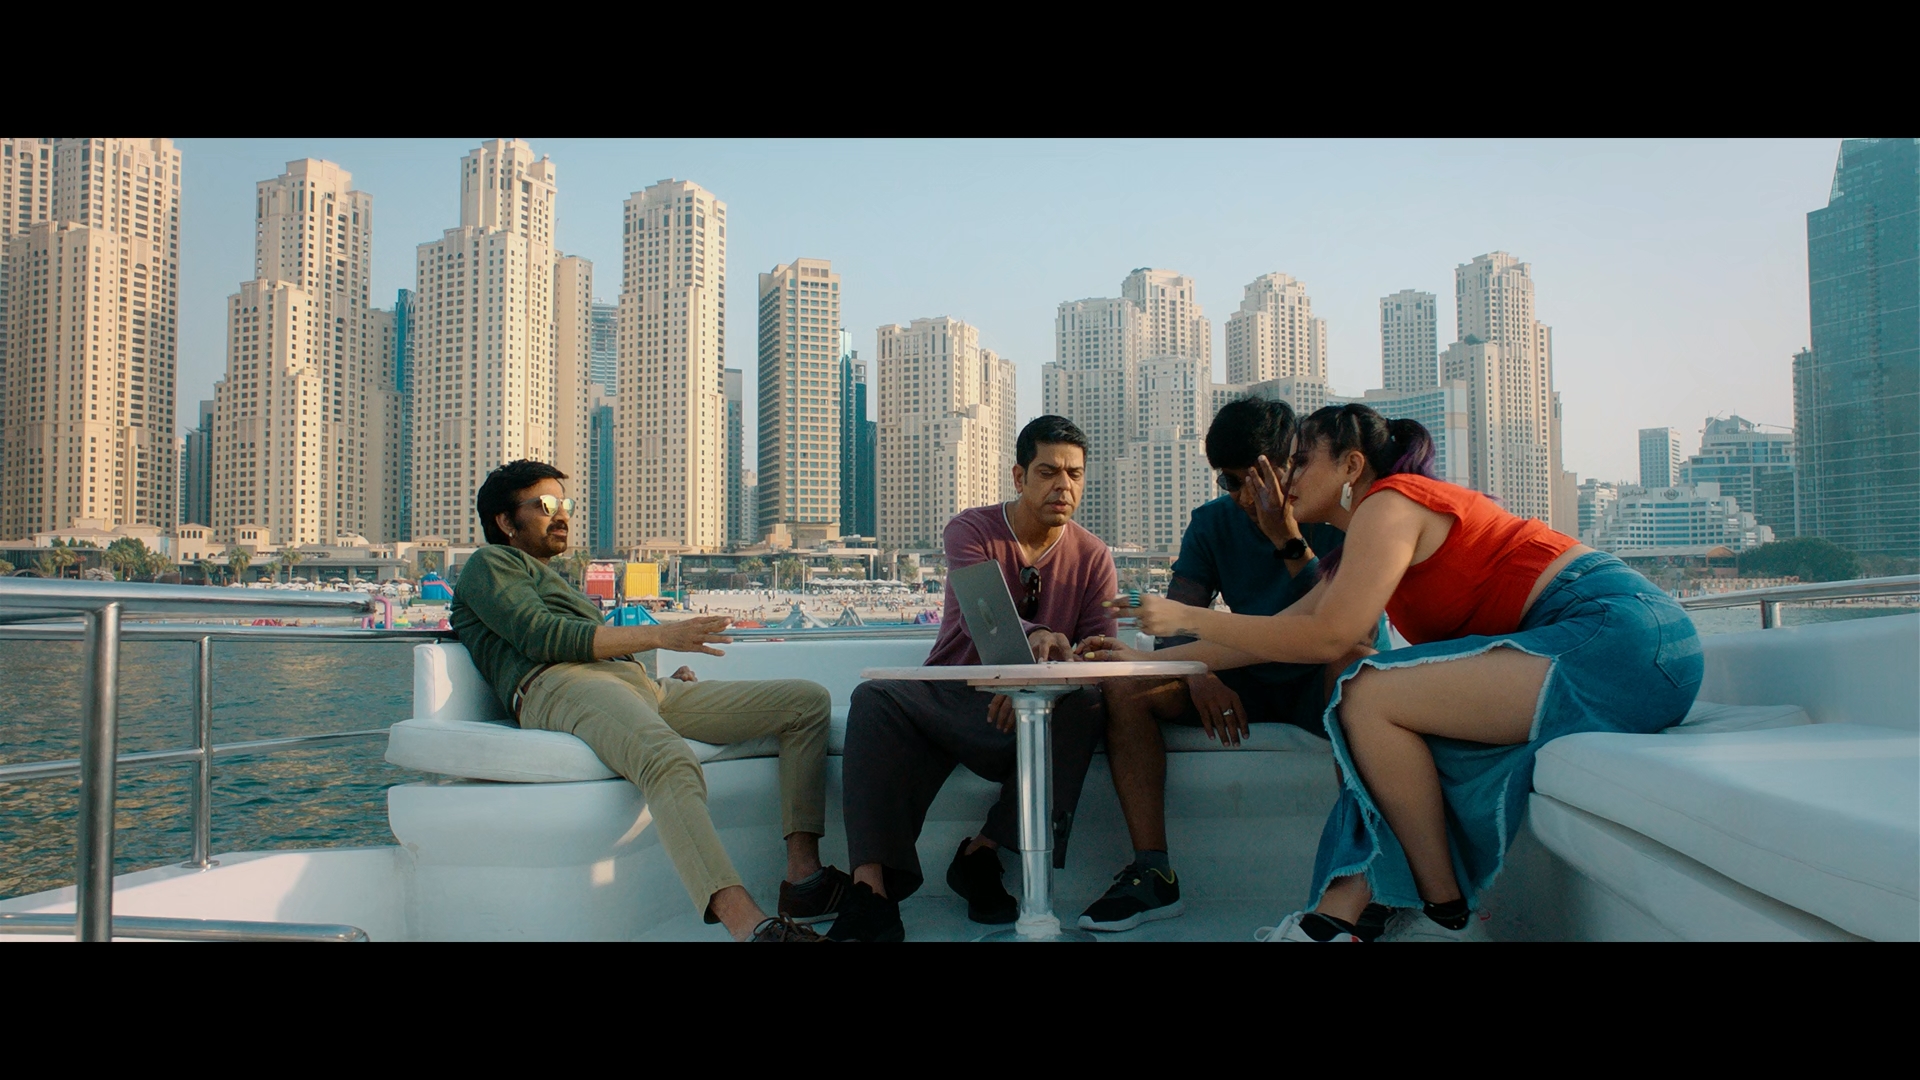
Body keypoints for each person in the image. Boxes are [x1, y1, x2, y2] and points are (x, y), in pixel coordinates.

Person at [1124, 403, 1703, 942]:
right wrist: (1136, 663)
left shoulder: (1390, 503)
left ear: (1351, 467)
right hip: (1628, 653)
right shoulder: (1364, 537)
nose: (1283, 479)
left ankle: (1415, 903)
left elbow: (1331, 638)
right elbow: (1277, 633)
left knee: (1365, 692)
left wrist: (1186, 617)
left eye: (1299, 462)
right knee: (1388, 727)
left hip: (1622, 636)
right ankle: (1398, 910)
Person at [450, 459, 845, 943]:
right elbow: (542, 637)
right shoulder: (490, 564)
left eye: (565, 503)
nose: (562, 515)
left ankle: (804, 881)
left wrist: (648, 673)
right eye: (546, 505)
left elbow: (584, 642)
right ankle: (752, 927)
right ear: (505, 522)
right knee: (668, 759)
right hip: (558, 684)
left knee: (805, 703)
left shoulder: (547, 576)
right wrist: (661, 636)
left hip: (633, 686)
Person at [1073, 397, 1390, 934]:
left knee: (1353, 666)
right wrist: (1201, 672)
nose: (1245, 496)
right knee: (1127, 689)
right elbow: (1177, 620)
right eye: (1230, 481)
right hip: (1246, 676)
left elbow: (1351, 631)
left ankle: (1373, 872)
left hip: (1321, 679)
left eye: (1258, 479)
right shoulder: (1212, 524)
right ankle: (1153, 873)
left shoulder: (1341, 518)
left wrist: (1287, 539)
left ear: (1293, 465)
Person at [829, 416, 1117, 942]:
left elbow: (1098, 653)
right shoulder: (971, 529)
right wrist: (1028, 649)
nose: (1063, 485)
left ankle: (981, 856)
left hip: (1034, 709)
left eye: (1074, 474)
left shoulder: (1094, 557)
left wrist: (1034, 686)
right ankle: (870, 891)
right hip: (951, 695)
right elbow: (978, 615)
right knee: (872, 699)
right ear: (1019, 476)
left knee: (1089, 704)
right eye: (1048, 472)